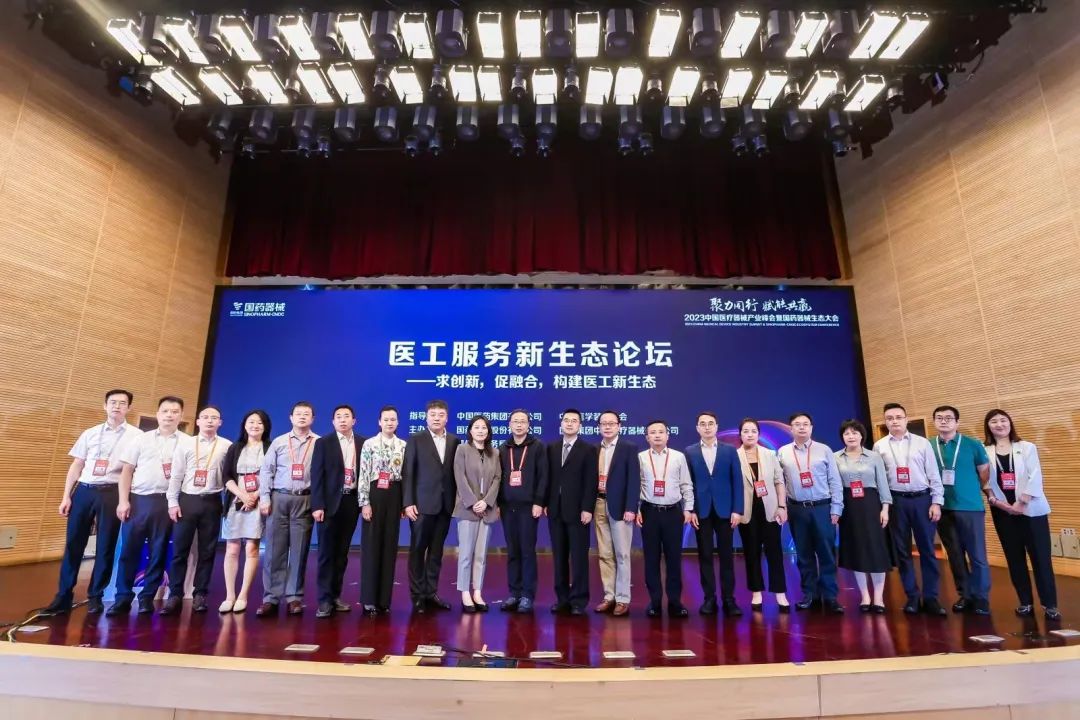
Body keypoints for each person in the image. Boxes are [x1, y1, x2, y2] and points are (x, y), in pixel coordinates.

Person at [46, 390, 141, 615]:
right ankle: (63, 595)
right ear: (104, 406)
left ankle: (95, 596)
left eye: (122, 403)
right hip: (85, 490)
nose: (117, 406)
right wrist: (66, 495)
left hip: (112, 491)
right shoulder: (90, 433)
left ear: (128, 408)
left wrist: (125, 499)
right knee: (73, 543)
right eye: (112, 402)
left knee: (106, 545)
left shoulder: (137, 436)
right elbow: (77, 465)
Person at [108, 396, 189, 616]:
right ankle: (122, 597)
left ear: (181, 415)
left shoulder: (187, 442)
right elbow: (126, 471)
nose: (169, 415)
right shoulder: (141, 439)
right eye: (165, 411)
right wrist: (123, 500)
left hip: (167, 501)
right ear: (158, 414)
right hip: (139, 500)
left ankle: (147, 597)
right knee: (129, 550)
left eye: (174, 412)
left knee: (158, 551)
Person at [983, 409, 1060, 620]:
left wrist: (1021, 502)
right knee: (1014, 558)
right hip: (1002, 511)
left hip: (1031, 510)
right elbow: (984, 480)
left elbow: (1035, 476)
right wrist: (997, 502)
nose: (999, 424)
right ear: (988, 426)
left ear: (1010, 423)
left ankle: (1050, 604)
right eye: (993, 421)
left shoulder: (1026, 447)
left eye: (1003, 420)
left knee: (1041, 558)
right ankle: (1025, 602)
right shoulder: (984, 450)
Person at [873, 403, 946, 616]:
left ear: (906, 419)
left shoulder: (922, 443)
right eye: (889, 418)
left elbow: (934, 474)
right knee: (902, 551)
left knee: (927, 550)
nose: (894, 421)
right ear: (885, 422)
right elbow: (880, 479)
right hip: (896, 502)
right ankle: (912, 596)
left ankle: (931, 597)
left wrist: (936, 502)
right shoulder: (879, 446)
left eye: (898, 417)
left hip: (922, 499)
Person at [162, 405, 232, 615]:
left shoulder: (226, 446)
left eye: (214, 418)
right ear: (198, 421)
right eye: (205, 417)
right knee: (179, 551)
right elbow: (176, 474)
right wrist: (172, 502)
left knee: (207, 551)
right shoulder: (186, 444)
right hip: (187, 500)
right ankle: (174, 594)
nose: (210, 421)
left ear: (220, 422)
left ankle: (200, 593)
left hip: (212, 501)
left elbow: (229, 476)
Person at [256, 401, 320, 617]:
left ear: (312, 419)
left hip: (305, 499)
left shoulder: (319, 443)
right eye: (298, 413)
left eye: (306, 414)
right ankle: (271, 598)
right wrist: (265, 498)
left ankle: (294, 597)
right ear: (291, 417)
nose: (302, 417)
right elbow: (266, 471)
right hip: (279, 498)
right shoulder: (279, 442)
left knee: (300, 551)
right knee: (274, 550)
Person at [777, 412, 844, 613]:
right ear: (791, 428)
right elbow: (779, 482)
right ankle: (810, 594)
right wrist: (782, 506)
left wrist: (836, 507)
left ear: (811, 428)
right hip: (797, 509)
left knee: (826, 553)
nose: (802, 427)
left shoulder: (824, 450)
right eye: (797, 424)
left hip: (823, 507)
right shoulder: (783, 452)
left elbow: (834, 480)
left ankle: (830, 596)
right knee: (803, 554)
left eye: (805, 424)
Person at [931, 405, 992, 616]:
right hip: (943, 508)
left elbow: (984, 473)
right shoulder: (928, 445)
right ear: (934, 422)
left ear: (957, 422)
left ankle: (981, 597)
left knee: (977, 555)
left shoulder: (972, 444)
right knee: (955, 555)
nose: (944, 421)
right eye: (939, 418)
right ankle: (965, 594)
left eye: (949, 418)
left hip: (970, 507)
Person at [403, 399, 461, 613]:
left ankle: (431, 593)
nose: (437, 418)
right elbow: (408, 472)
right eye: (433, 415)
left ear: (447, 418)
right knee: (418, 551)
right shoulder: (416, 439)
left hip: (445, 506)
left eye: (441, 415)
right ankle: (417, 595)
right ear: (426, 417)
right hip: (421, 505)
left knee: (436, 552)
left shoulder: (454, 441)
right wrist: (408, 502)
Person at [686, 411, 744, 617]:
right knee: (705, 556)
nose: (707, 427)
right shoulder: (689, 452)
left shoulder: (730, 451)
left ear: (717, 427)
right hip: (701, 511)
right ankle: (709, 598)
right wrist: (691, 509)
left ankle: (729, 599)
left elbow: (737, 481)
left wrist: (737, 509)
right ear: (697, 428)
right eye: (703, 424)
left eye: (711, 423)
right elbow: (688, 483)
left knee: (727, 556)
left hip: (725, 511)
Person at [311, 405, 366, 618]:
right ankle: (324, 600)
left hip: (351, 501)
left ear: (354, 420)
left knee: (342, 553)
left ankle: (335, 596)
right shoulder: (323, 443)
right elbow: (317, 476)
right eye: (338, 417)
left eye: (346, 416)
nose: (342, 420)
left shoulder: (363, 443)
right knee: (326, 553)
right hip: (328, 504)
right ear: (333, 421)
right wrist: (317, 505)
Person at [636, 420, 694, 618]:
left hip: (673, 513)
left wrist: (688, 508)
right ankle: (654, 602)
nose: (657, 435)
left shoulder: (678, 457)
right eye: (653, 432)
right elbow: (636, 486)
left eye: (661, 432)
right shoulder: (640, 458)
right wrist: (636, 508)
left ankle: (675, 602)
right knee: (651, 559)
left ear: (668, 435)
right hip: (649, 512)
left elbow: (686, 484)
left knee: (674, 559)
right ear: (647, 437)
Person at [835, 420, 893, 613]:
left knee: (876, 551)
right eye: (847, 433)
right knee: (857, 551)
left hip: (871, 505)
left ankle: (879, 598)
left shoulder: (874, 457)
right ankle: (865, 597)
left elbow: (883, 483)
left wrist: (885, 508)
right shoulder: (835, 457)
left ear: (862, 435)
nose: (851, 436)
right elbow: (834, 485)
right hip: (848, 507)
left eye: (855, 433)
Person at [546, 408, 599, 615]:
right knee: (559, 558)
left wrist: (587, 508)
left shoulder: (588, 449)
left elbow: (591, 481)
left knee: (579, 558)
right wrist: (545, 503)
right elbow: (548, 479)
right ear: (561, 424)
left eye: (574, 421)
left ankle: (578, 600)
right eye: (566, 420)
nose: (569, 423)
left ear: (580, 425)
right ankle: (562, 599)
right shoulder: (552, 448)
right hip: (555, 511)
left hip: (578, 512)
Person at [218, 410, 271, 613]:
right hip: (235, 499)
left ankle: (243, 595)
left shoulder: (270, 447)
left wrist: (254, 496)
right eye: (251, 422)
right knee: (232, 548)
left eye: (259, 423)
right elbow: (226, 476)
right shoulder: (235, 447)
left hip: (258, 500)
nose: (255, 425)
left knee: (251, 549)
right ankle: (229, 595)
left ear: (265, 427)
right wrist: (242, 495)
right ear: (244, 425)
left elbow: (271, 475)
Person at [735, 418, 789, 612]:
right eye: (746, 431)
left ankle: (780, 593)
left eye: (753, 431)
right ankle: (756, 592)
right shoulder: (734, 456)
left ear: (758, 434)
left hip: (770, 509)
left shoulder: (770, 454)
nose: (750, 434)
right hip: (747, 512)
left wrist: (782, 506)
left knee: (775, 552)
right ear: (740, 434)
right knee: (751, 553)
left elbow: (779, 481)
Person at [497, 409, 548, 614]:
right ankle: (514, 593)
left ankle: (527, 595)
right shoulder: (503, 448)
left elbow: (543, 476)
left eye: (523, 422)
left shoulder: (537, 447)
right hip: (508, 507)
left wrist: (539, 502)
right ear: (509, 424)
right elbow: (498, 478)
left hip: (528, 507)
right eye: (515, 421)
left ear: (528, 425)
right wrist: (498, 504)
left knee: (527, 551)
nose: (519, 425)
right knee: (512, 551)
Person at [358, 406, 406, 616]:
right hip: (374, 493)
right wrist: (364, 502)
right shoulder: (369, 444)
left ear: (398, 422)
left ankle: (384, 600)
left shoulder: (403, 445)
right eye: (386, 419)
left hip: (394, 495)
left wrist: (404, 503)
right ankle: (369, 599)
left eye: (393, 419)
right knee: (371, 547)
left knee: (389, 547)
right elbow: (363, 474)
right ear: (379, 422)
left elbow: (406, 476)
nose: (389, 423)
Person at [453, 415, 502, 613]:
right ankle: (465, 592)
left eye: (484, 428)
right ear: (470, 431)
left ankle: (477, 592)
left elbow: (497, 478)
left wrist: (486, 502)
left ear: (488, 432)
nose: (481, 431)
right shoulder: (462, 449)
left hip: (487, 510)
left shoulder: (495, 453)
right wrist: (473, 502)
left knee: (481, 555)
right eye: (477, 427)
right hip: (467, 509)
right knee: (466, 554)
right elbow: (460, 477)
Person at [592, 410, 638, 617]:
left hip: (621, 508)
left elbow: (634, 480)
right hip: (599, 504)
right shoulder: (595, 450)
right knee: (604, 554)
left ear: (619, 426)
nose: (608, 427)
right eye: (604, 424)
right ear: (599, 427)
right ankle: (609, 595)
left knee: (622, 554)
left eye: (611, 423)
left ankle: (623, 598)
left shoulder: (628, 448)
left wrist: (631, 508)